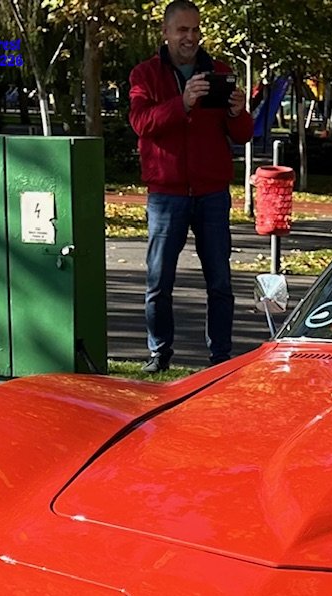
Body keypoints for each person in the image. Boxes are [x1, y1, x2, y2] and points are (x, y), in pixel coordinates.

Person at [129, 0, 251, 372]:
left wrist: (237, 112)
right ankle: (159, 354)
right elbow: (141, 124)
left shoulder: (219, 71)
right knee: (159, 280)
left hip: (212, 192)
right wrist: (181, 102)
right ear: (165, 33)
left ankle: (220, 358)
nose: (191, 37)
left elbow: (243, 135)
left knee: (220, 282)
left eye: (196, 30)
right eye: (182, 30)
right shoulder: (145, 75)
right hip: (167, 194)